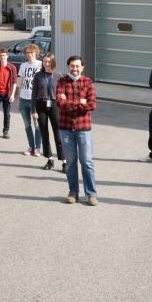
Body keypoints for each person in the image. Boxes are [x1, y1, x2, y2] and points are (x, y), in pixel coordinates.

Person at [57, 55, 98, 206]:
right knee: (71, 162)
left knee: (86, 161)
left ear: (82, 67)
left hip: (83, 128)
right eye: (72, 66)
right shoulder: (62, 81)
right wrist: (80, 102)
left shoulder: (87, 82)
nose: (75, 69)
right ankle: (73, 192)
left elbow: (92, 105)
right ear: (68, 67)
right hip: (66, 128)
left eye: (77, 66)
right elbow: (59, 102)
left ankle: (91, 194)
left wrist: (68, 101)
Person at [31, 52, 66, 172]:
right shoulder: (38, 76)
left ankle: (64, 161)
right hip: (41, 105)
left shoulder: (59, 75)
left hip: (55, 105)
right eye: (44, 61)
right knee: (44, 133)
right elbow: (34, 94)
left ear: (53, 62)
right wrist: (33, 110)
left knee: (58, 134)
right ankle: (50, 159)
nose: (46, 64)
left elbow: (63, 93)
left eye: (48, 62)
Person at [18, 43, 43, 156]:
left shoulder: (41, 65)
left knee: (37, 126)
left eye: (32, 53)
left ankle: (38, 148)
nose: (30, 55)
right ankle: (31, 147)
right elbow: (21, 82)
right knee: (27, 126)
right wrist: (19, 98)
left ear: (36, 53)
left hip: (36, 100)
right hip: (24, 98)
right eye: (27, 53)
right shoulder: (23, 66)